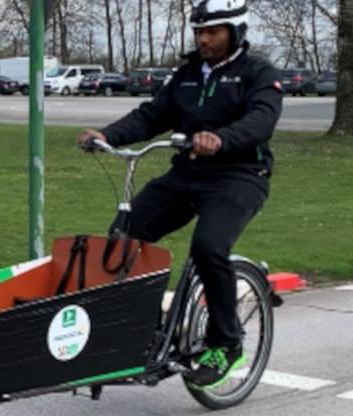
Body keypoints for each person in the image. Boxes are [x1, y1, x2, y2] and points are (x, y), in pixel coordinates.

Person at [77, 0, 281, 390]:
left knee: (208, 247)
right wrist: (107, 135)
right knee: (123, 236)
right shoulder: (187, 75)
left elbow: (261, 120)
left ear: (236, 32)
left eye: (212, 32)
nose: (203, 39)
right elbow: (152, 115)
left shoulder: (258, 73)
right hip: (186, 173)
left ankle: (226, 344)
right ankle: (140, 327)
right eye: (199, 32)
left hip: (239, 177)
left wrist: (221, 139)